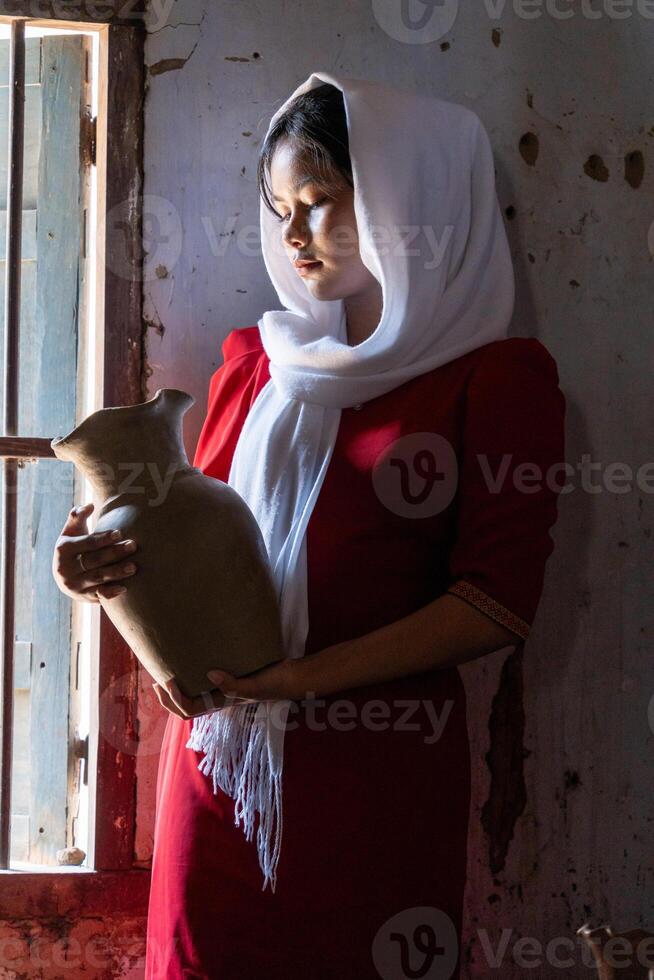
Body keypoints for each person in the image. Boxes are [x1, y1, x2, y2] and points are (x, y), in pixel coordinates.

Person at [53, 72, 566, 979]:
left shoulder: (497, 381)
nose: (293, 233)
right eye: (280, 206)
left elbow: (496, 606)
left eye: (321, 202)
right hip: (217, 778)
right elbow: (182, 553)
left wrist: (300, 681)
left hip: (373, 781)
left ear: (415, 201)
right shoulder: (257, 367)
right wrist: (99, 566)